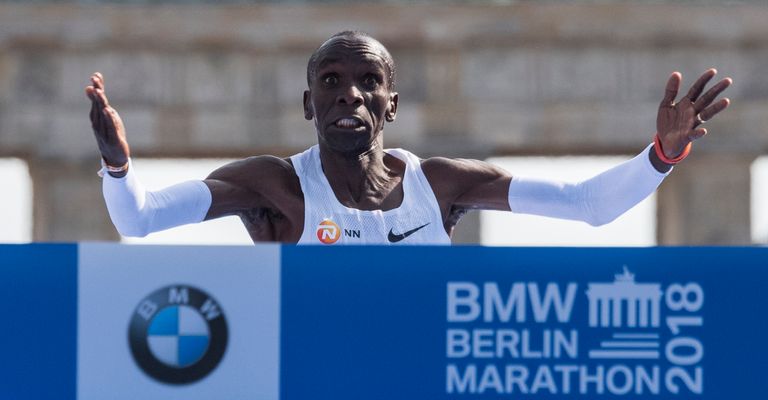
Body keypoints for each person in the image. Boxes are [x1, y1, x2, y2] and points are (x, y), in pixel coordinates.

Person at [86, 30, 731, 245]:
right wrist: (118, 166)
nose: (349, 94)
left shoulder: (439, 185)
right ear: (309, 104)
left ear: (390, 104)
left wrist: (661, 156)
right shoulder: (273, 186)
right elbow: (139, 219)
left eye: (368, 81)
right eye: (331, 81)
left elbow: (588, 204)